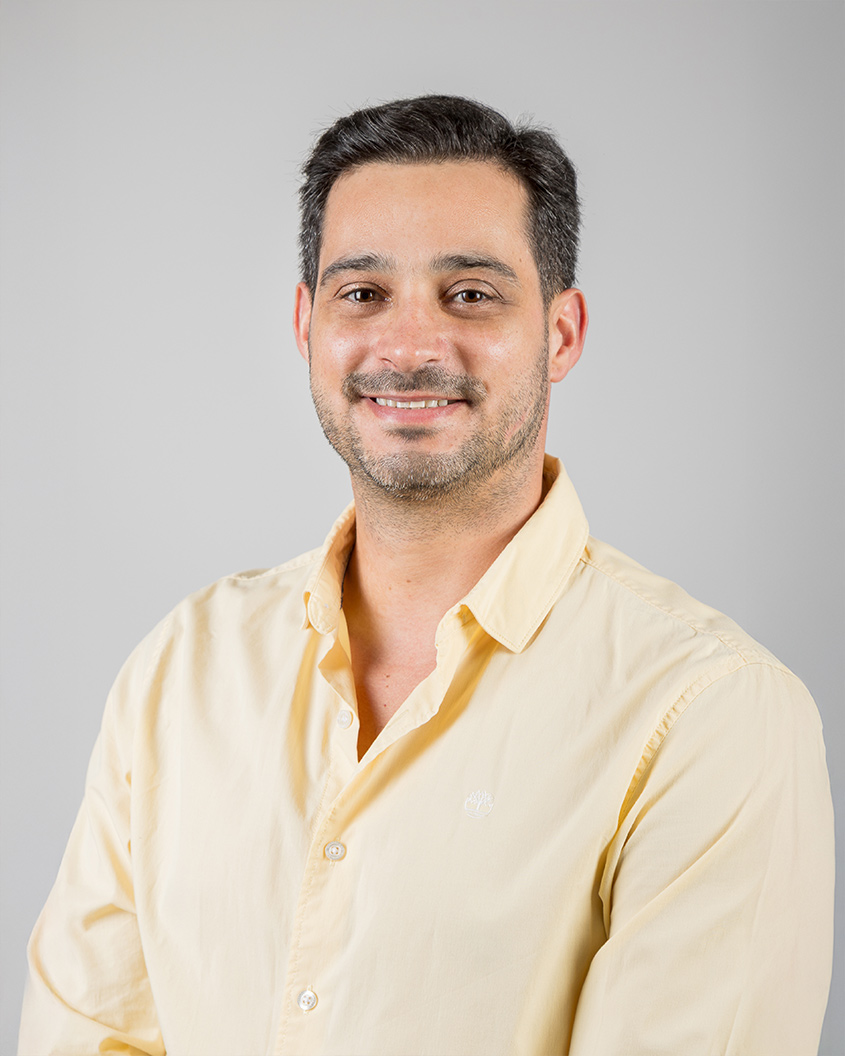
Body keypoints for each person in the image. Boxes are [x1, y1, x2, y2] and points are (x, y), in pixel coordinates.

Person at [19, 95, 834, 1056]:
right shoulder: (183, 669)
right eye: (362, 294)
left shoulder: (712, 714)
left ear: (561, 333)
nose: (407, 348)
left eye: (471, 294)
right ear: (305, 325)